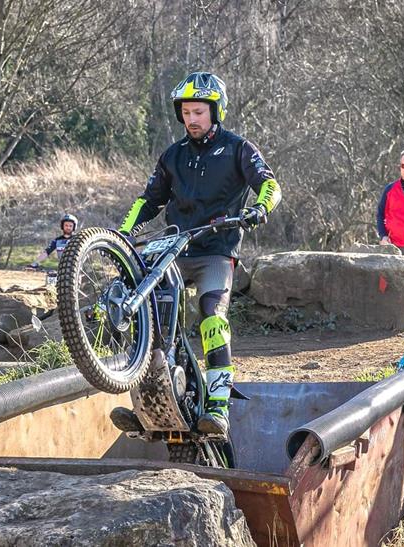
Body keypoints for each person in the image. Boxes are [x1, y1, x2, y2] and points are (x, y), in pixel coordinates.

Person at [110, 72, 282, 437]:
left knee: (211, 318)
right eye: (186, 112)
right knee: (150, 317)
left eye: (199, 111)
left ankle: (219, 406)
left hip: (215, 250)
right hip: (174, 246)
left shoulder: (238, 148)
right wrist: (124, 232)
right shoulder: (172, 156)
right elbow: (148, 200)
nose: (192, 119)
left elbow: (269, 183)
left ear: (215, 111)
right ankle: (148, 401)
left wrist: (260, 207)